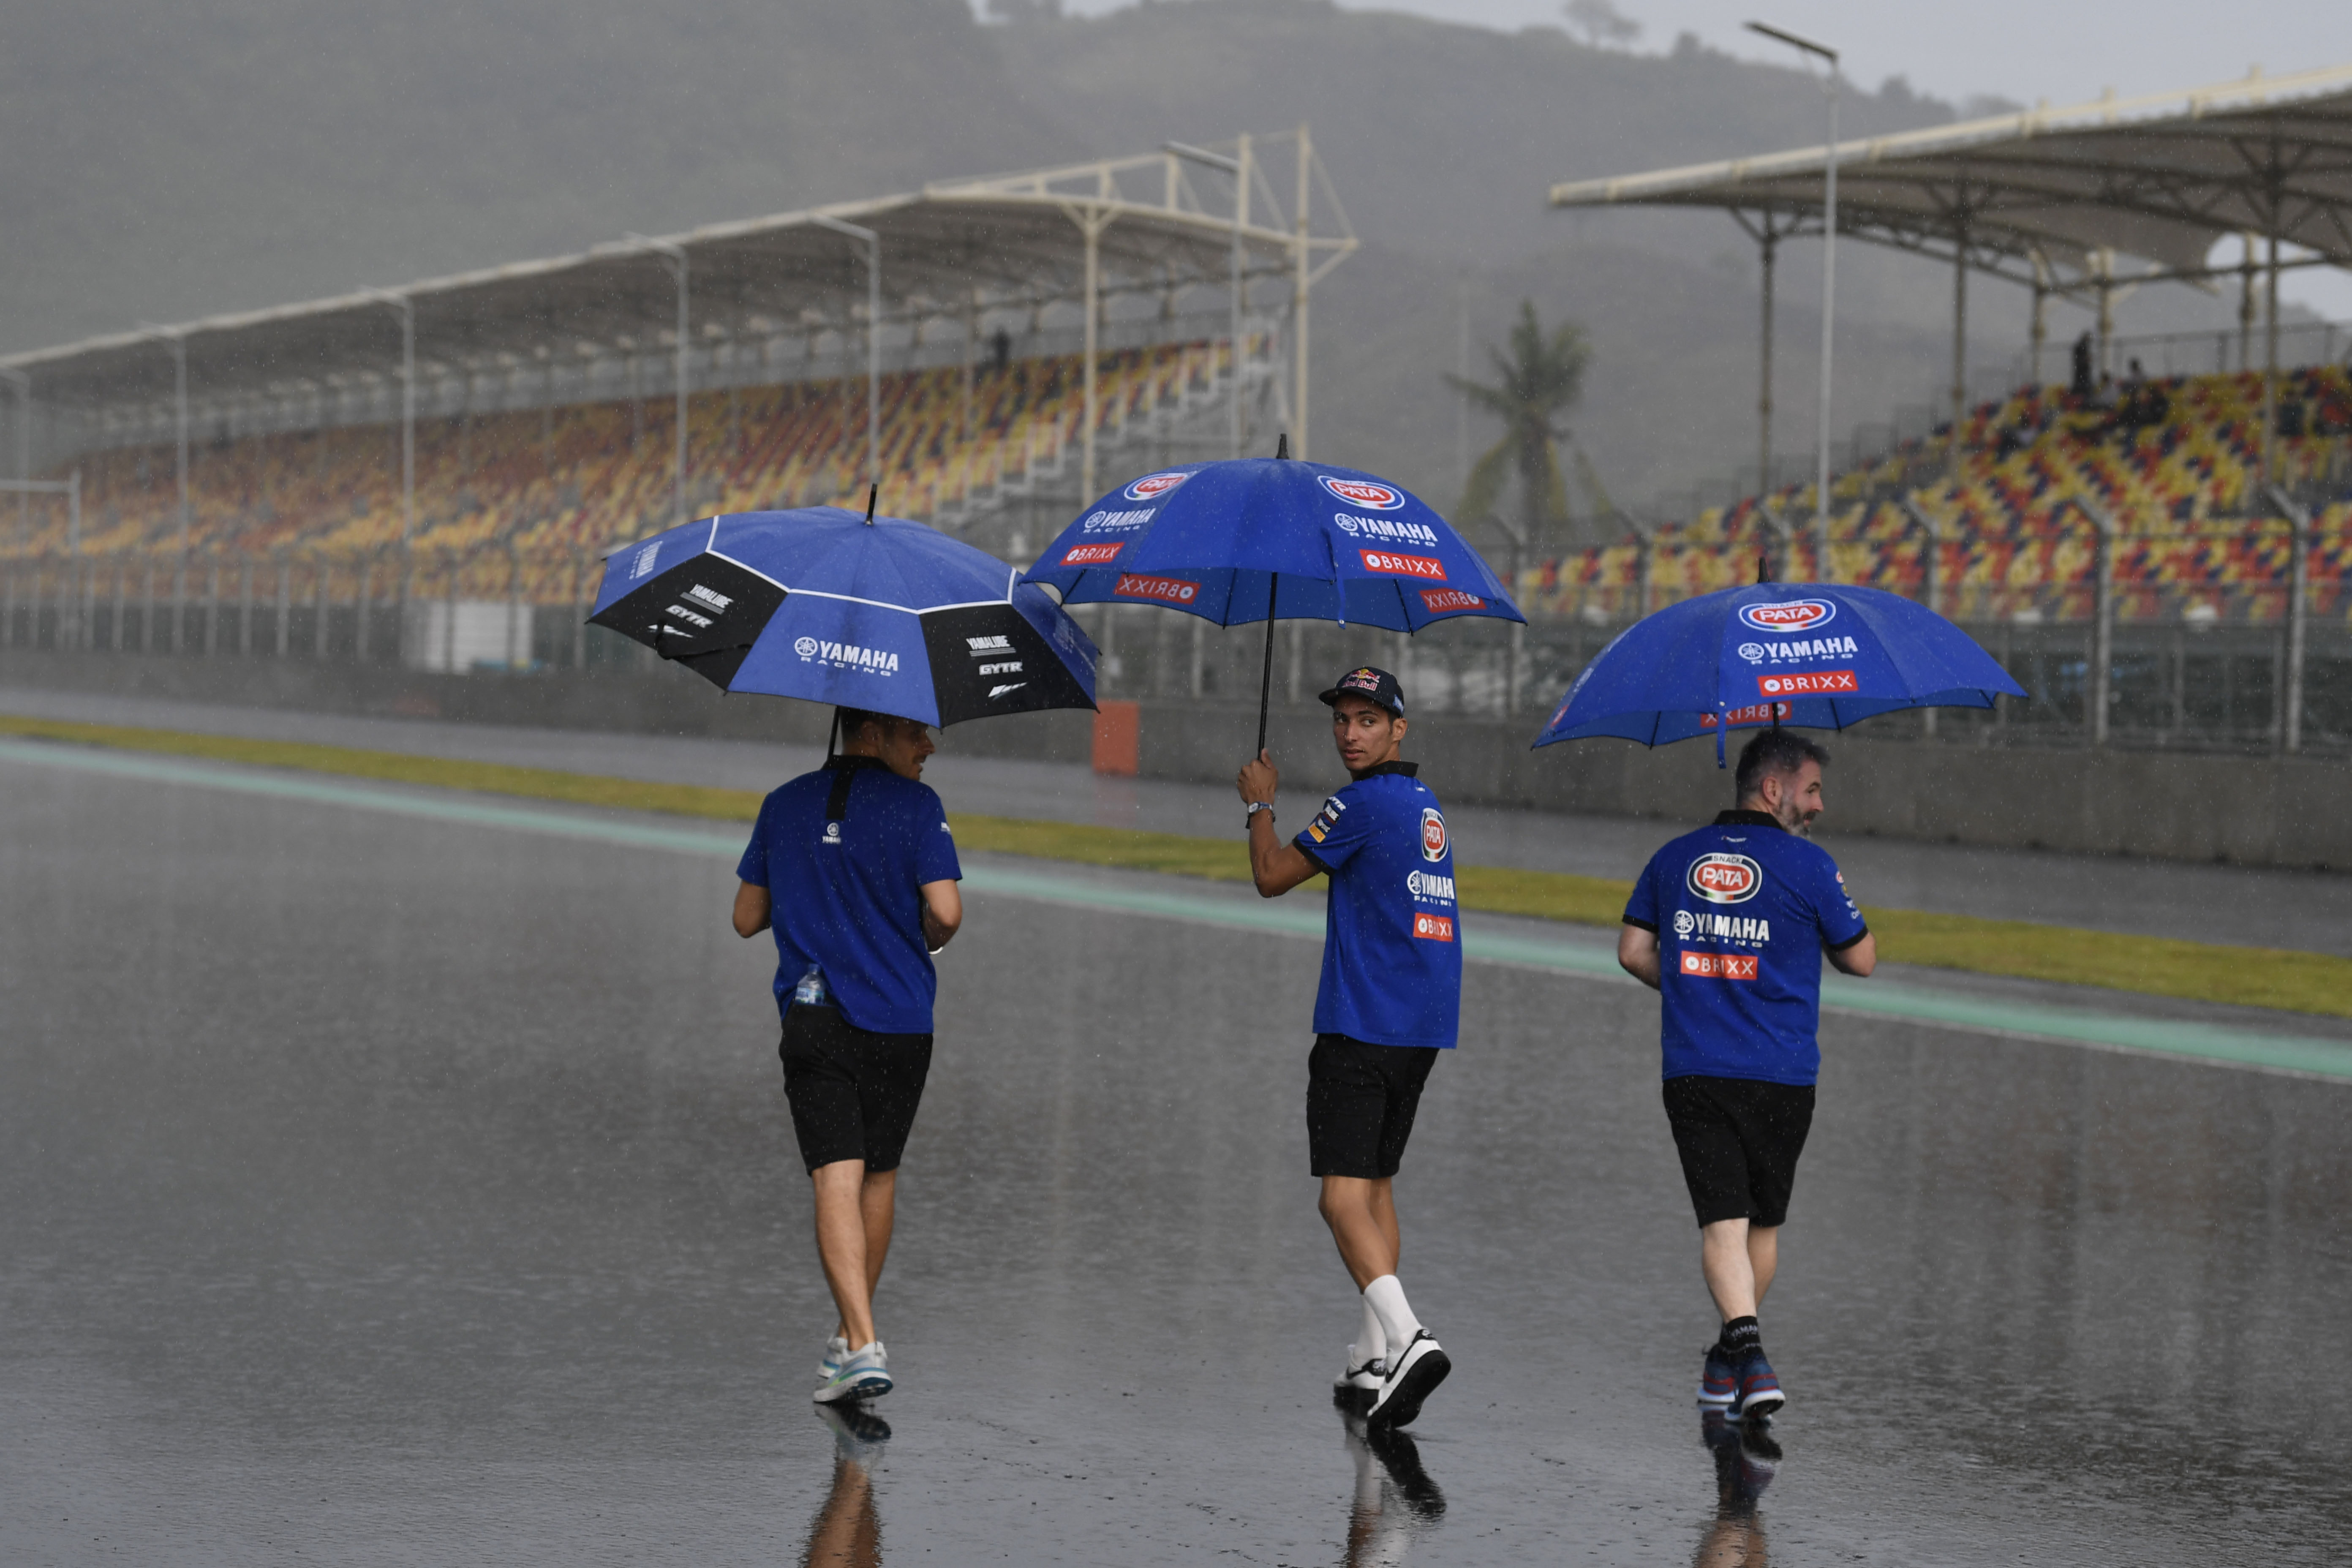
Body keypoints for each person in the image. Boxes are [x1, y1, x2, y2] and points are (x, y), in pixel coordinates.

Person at [1616, 730, 1876, 1421]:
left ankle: (1730, 1356)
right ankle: (1751, 1352)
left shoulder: (1674, 856)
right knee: (1757, 1227)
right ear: (1774, 788)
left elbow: (1633, 951)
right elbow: (1863, 960)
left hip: (1698, 1066)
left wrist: (1694, 988)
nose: (1819, 804)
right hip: (1784, 1074)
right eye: (1812, 789)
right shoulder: (1811, 866)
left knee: (1729, 1226)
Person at [1235, 666, 1461, 1430]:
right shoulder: (1425, 804)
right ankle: (1372, 1359)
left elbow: (1272, 876)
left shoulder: (1362, 804)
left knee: (1339, 1198)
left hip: (1363, 1023)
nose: (1351, 733)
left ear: (1400, 730)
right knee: (1376, 1188)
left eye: (1369, 721)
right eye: (1344, 720)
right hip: (1420, 1027)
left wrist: (1261, 803)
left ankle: (1409, 1339)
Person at [733, 707, 964, 1403]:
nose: (928, 746)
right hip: (901, 1021)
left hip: (817, 1014)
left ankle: (859, 1340)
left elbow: (746, 917)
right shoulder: (919, 807)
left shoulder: (785, 802)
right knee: (878, 1178)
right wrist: (898, 916)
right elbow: (947, 915)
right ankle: (850, 1340)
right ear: (871, 732)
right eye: (915, 732)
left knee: (836, 1173)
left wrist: (810, 877)